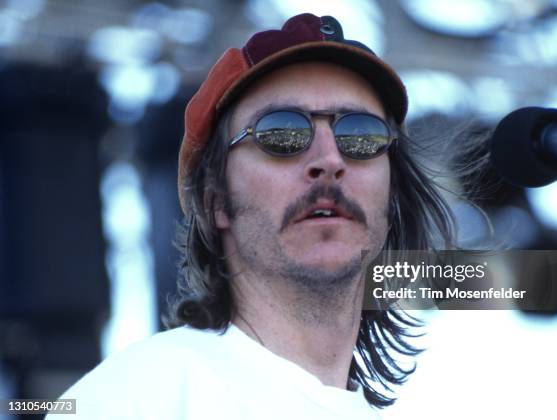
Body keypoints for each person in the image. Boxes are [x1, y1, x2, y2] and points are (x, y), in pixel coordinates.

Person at [50, 13, 455, 419]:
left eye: (361, 135)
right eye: (282, 133)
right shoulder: (134, 396)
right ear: (215, 201)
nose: (330, 159)